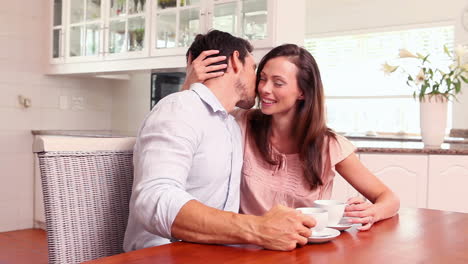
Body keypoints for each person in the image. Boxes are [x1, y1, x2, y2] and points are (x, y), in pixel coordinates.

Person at [124, 30, 316, 252]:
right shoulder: (179, 108)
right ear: (236, 60)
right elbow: (154, 198)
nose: (260, 85)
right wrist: (258, 228)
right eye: (255, 70)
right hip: (162, 255)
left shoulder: (231, 125)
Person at [185, 44, 400, 231]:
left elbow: (389, 198)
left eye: (278, 83)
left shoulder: (329, 145)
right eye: (262, 79)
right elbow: (188, 122)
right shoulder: (241, 123)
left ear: (302, 92)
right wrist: (190, 84)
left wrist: (371, 212)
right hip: (248, 248)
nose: (265, 89)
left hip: (304, 251)